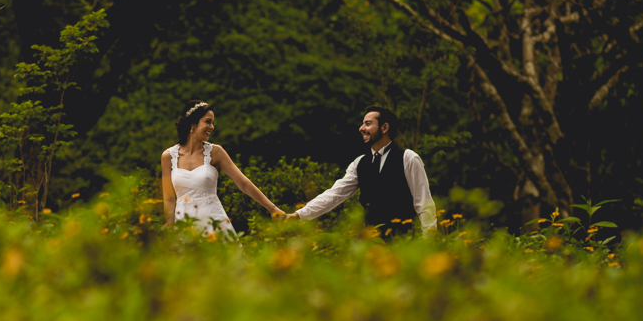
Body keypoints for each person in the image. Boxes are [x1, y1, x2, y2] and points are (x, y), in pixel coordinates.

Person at [288, 107, 437, 236]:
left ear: (384, 128)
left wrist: (430, 242)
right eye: (363, 123)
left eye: (368, 123)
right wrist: (297, 215)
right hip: (371, 246)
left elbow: (424, 204)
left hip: (404, 244)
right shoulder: (359, 163)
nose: (361, 128)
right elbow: (333, 195)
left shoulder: (408, 158)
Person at [161, 100, 284, 236]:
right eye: (208, 121)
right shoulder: (168, 157)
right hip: (184, 224)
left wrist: (273, 209)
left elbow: (243, 183)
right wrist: (170, 232)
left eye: (212, 123)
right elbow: (169, 199)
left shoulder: (216, 152)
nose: (212, 127)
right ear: (193, 124)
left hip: (214, 223)